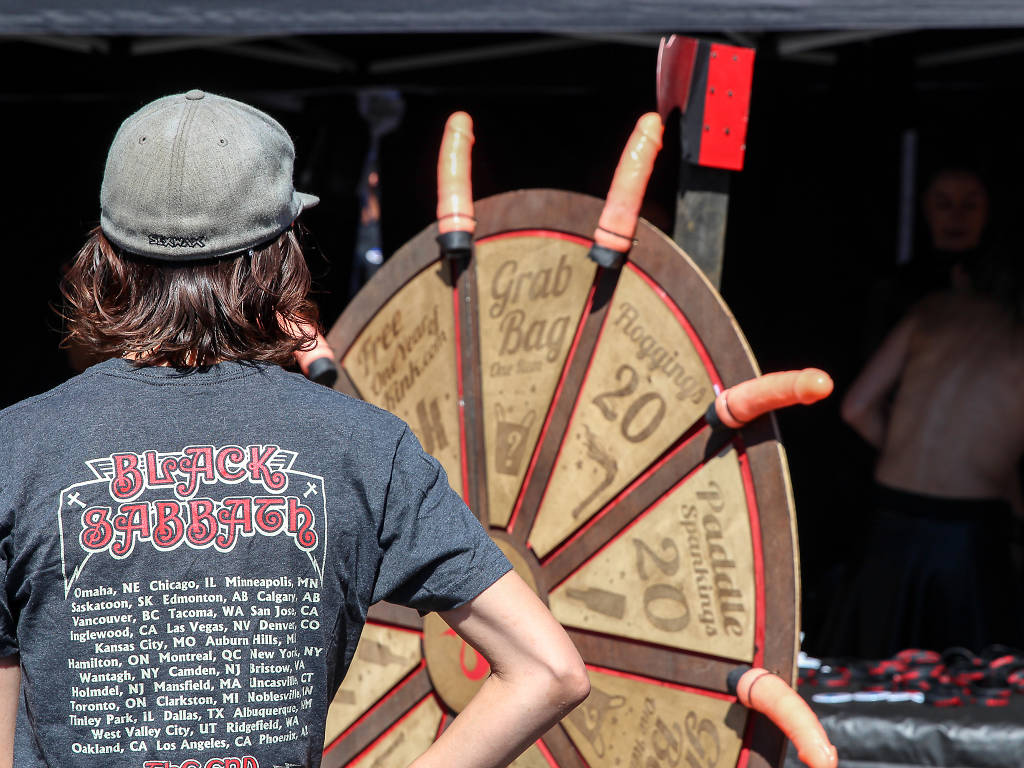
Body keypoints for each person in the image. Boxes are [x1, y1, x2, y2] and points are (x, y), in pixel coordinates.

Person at [0, 90, 589, 768]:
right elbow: (551, 670)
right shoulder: (366, 448)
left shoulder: (17, 450)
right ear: (277, 258)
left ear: (107, 257)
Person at [829, 241, 1024, 658]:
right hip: (968, 535)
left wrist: (906, 449)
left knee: (871, 675)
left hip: (892, 518)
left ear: (959, 276)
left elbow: (856, 408)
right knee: (971, 686)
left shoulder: (929, 312)